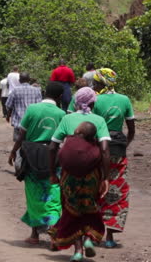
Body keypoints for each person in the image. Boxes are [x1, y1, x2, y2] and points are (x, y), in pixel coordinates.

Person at [48, 87, 111, 261]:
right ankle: (89, 239)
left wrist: (53, 172)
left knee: (72, 208)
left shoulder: (67, 118)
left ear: (76, 102)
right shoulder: (99, 120)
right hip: (92, 175)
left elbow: (53, 147)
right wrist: (105, 177)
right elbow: (105, 150)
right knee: (90, 205)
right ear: (92, 102)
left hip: (69, 175)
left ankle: (77, 251)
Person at [8, 81, 65, 245]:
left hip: (31, 155)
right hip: (53, 156)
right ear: (60, 97)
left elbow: (22, 134)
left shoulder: (32, 109)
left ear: (45, 92)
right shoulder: (61, 113)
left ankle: (34, 235)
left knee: (33, 194)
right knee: (53, 194)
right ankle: (54, 234)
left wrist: (13, 152)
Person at [92, 68, 135, 248]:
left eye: (95, 83)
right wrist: (125, 145)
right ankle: (110, 237)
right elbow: (131, 128)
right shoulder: (124, 100)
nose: (93, 86)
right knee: (116, 192)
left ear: (102, 83)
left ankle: (92, 234)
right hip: (118, 150)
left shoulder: (95, 100)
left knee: (95, 190)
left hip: (98, 148)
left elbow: (91, 125)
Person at [6, 72, 42, 141]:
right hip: (32, 124)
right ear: (29, 80)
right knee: (30, 144)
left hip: (19, 123)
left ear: (19, 80)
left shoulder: (15, 90)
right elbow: (39, 106)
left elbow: (9, 105)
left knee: (18, 143)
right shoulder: (37, 90)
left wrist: (8, 116)